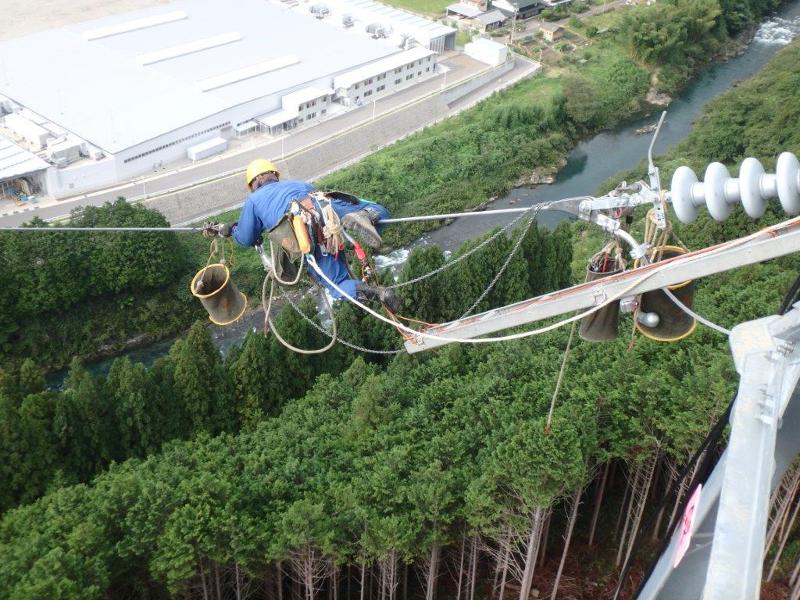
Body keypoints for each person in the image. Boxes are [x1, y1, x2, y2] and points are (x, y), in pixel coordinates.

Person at [206, 159, 400, 312]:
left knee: (338, 284)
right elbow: (319, 198)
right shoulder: (298, 184)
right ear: (274, 175)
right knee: (376, 209)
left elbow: (246, 238)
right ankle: (365, 215)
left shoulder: (254, 200)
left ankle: (379, 293)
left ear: (254, 183)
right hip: (323, 206)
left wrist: (230, 229)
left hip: (305, 229)